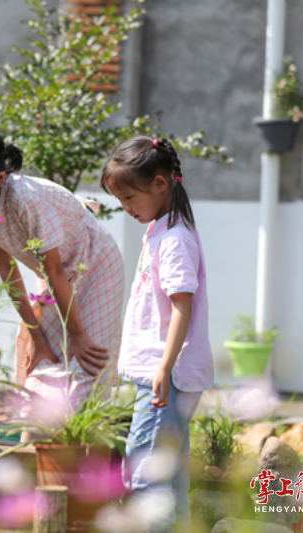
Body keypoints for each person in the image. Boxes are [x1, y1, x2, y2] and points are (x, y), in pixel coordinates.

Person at [0, 131, 124, 411]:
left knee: (86, 365)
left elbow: (55, 271)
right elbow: (6, 269)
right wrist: (36, 336)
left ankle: (86, 449)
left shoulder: (25, 198)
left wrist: (77, 335)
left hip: (95, 266)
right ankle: (38, 448)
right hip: (53, 277)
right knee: (41, 362)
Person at [101, 136, 214, 532]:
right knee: (169, 477)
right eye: (121, 201)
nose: (126, 209)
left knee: (145, 475)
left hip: (165, 376)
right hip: (166, 375)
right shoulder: (163, 230)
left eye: (130, 198)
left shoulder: (175, 239)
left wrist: (164, 367)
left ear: (161, 184)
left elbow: (182, 305)